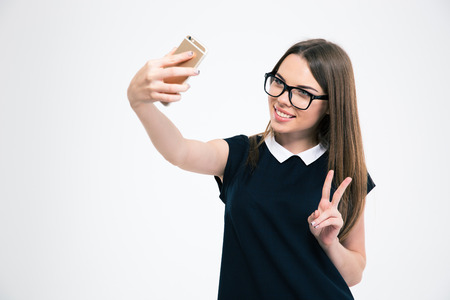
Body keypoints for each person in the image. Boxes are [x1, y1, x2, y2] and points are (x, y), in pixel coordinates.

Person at [127, 38, 375, 299]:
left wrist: (329, 243)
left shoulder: (346, 170)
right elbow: (180, 152)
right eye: (278, 81)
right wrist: (140, 103)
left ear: (331, 105)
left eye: (303, 92)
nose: (282, 99)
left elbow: (354, 274)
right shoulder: (241, 155)